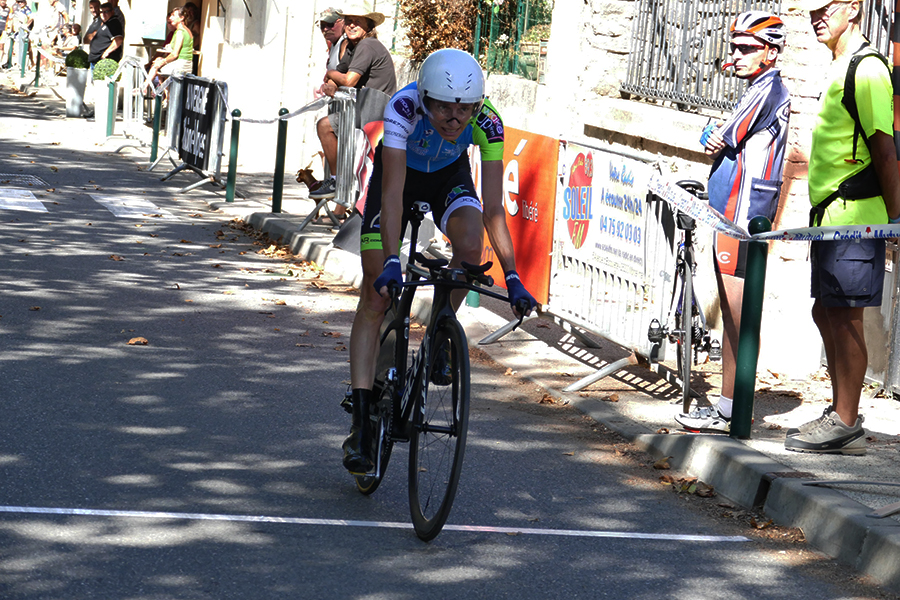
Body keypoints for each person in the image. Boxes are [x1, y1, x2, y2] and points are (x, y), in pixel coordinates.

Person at [341, 48, 538, 473]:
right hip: (400, 180)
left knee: (470, 247)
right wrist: (392, 259)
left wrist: (513, 275)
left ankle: (439, 334)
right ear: (425, 98)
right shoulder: (403, 108)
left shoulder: (487, 121)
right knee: (376, 294)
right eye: (445, 107)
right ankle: (360, 427)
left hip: (448, 178)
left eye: (464, 108)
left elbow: (493, 210)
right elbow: (392, 194)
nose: (455, 117)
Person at [784, 0, 900, 454]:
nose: (817, 16)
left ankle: (846, 421)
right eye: (810, 10)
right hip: (830, 218)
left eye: (826, 7)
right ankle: (841, 412)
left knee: (846, 317)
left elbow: (885, 149)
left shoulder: (866, 68)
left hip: (856, 218)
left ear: (852, 8)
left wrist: (894, 220)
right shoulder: (840, 64)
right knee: (826, 312)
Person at [675, 12, 790, 434]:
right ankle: (728, 406)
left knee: (740, 317)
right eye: (734, 47)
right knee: (731, 314)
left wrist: (711, 134)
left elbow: (722, 136)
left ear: (771, 52)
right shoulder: (757, 87)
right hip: (732, 214)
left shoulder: (769, 87)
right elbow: (718, 138)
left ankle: (737, 412)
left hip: (743, 217)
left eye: (746, 48)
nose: (736, 55)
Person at [310, 1, 397, 203]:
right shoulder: (352, 46)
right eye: (348, 20)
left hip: (376, 116)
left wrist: (330, 75)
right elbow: (337, 76)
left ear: (369, 25)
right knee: (329, 126)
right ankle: (340, 185)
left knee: (325, 126)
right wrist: (332, 81)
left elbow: (349, 80)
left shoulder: (367, 45)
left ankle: (337, 181)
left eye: (357, 21)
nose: (351, 25)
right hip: (362, 111)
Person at [142, 6, 193, 97]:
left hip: (182, 64)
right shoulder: (185, 30)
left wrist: (163, 61)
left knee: (157, 65)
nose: (170, 18)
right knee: (158, 61)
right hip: (185, 62)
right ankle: (163, 93)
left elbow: (175, 54)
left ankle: (150, 88)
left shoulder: (180, 32)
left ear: (181, 18)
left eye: (173, 15)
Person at [87, 2, 123, 66]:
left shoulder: (114, 23)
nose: (103, 14)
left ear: (112, 12)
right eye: (101, 12)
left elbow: (118, 40)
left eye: (106, 12)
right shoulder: (105, 23)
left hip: (104, 61)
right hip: (96, 60)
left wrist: (106, 53)